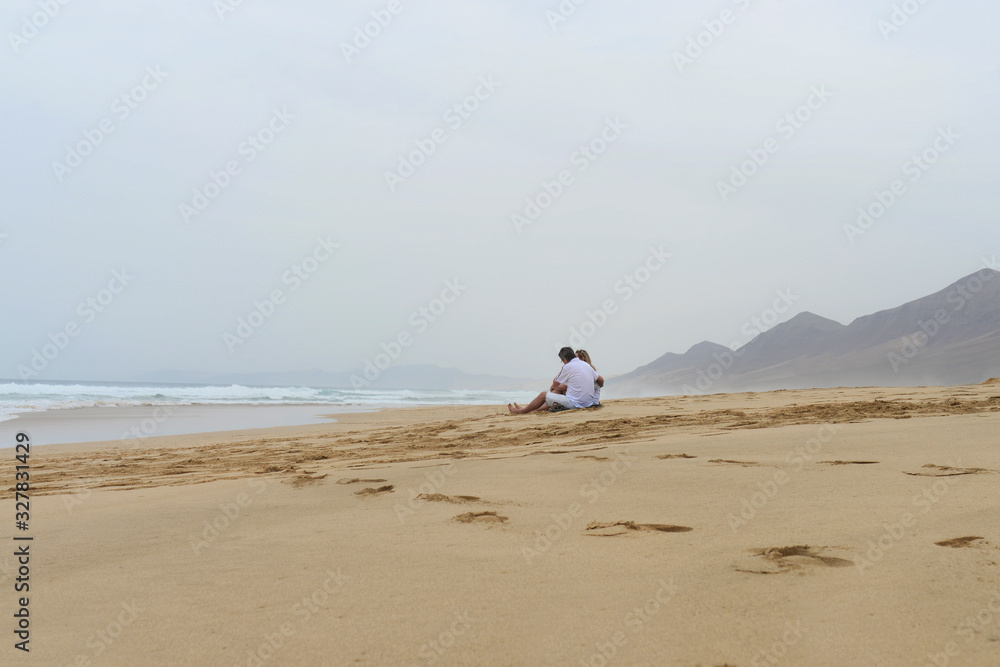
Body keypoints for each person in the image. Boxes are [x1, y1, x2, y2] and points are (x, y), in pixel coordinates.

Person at [508, 347, 601, 414]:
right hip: (589, 402)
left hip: (576, 403)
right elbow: (601, 381)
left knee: (543, 395)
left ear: (564, 359)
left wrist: (560, 382)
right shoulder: (586, 365)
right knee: (555, 394)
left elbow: (555, 384)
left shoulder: (567, 366)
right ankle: (530, 409)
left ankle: (521, 411)